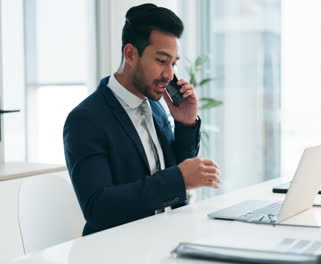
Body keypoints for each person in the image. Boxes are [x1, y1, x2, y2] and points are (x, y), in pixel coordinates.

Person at [63, 3, 221, 236]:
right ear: (130, 54)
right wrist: (178, 178)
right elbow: (98, 207)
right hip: (120, 248)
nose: (169, 75)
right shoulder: (86, 120)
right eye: (161, 60)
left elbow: (178, 173)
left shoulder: (155, 106)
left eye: (173, 63)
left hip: (168, 236)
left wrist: (186, 124)